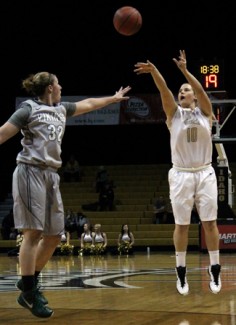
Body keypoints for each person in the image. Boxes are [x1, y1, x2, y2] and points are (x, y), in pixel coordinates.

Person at [0, 71, 131, 318]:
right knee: (33, 232)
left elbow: (88, 104)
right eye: (58, 83)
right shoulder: (28, 109)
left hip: (52, 174)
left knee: (54, 235)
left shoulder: (60, 109)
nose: (61, 87)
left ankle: (29, 281)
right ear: (50, 88)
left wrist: (113, 98)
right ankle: (29, 292)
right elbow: (3, 133)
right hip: (30, 171)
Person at [134, 50, 221, 295]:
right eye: (180, 90)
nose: (182, 92)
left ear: (194, 96)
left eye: (186, 90)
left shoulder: (205, 112)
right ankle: (180, 271)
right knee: (181, 225)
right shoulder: (174, 115)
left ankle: (214, 267)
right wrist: (155, 72)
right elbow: (164, 92)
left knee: (210, 223)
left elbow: (203, 92)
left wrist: (184, 71)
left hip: (204, 172)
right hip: (181, 174)